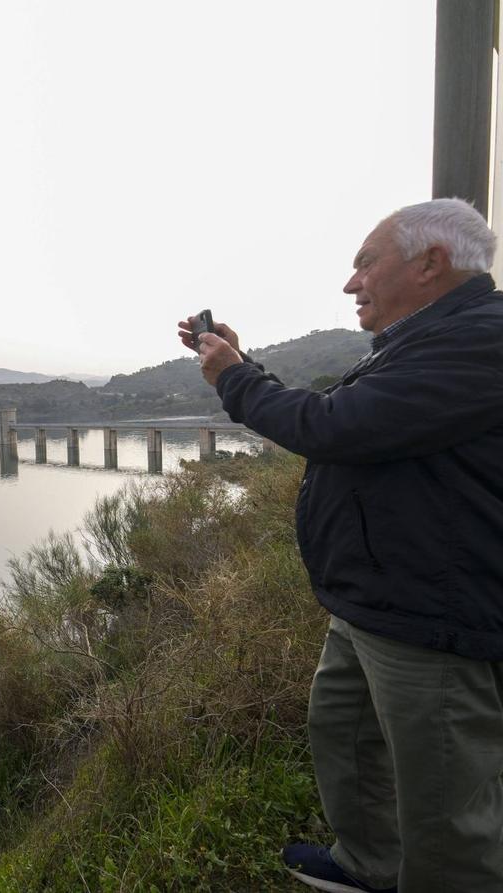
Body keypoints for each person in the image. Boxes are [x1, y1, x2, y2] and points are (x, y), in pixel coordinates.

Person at [178, 197, 503, 893]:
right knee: (344, 732)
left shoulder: (480, 340)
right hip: (377, 597)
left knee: (446, 809)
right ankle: (368, 865)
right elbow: (350, 420)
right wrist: (242, 364)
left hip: (433, 613)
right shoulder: (422, 342)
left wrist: (234, 376)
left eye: (365, 264)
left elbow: (333, 427)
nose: (351, 283)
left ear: (430, 263)